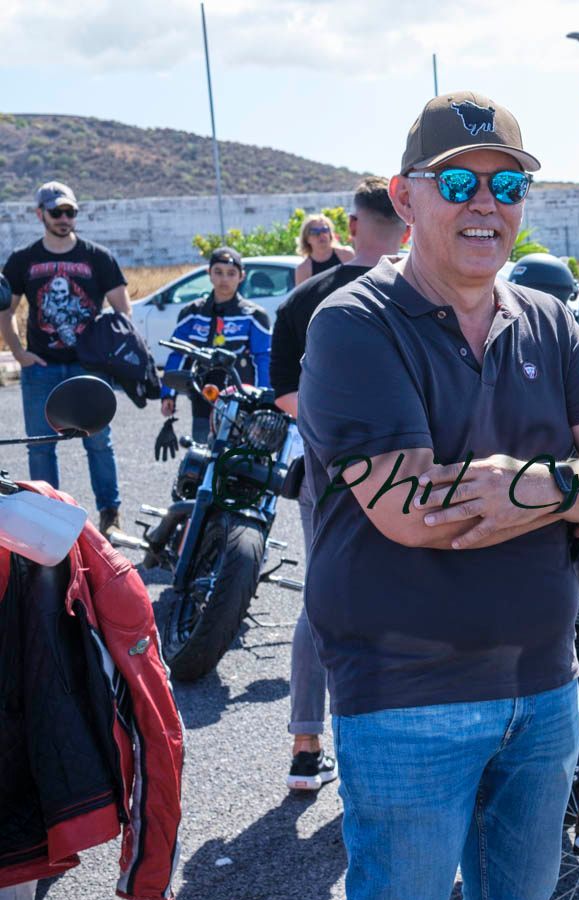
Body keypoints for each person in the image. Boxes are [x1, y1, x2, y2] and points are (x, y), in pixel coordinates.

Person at [297, 91, 579, 900]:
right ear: (405, 197)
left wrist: (520, 485)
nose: (484, 202)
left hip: (542, 689)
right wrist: (573, 487)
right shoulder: (353, 323)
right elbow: (415, 512)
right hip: (408, 694)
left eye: (507, 184)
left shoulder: (545, 318)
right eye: (457, 180)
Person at [269, 176, 409, 794]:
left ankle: (307, 743)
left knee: (321, 599)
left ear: (351, 227)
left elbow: (285, 395)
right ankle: (389, 753)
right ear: (407, 224)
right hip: (413, 468)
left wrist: (342, 436)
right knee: (412, 597)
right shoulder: (418, 295)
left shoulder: (305, 301)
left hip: (324, 472)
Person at [0, 182, 126, 533]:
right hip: (41, 368)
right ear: (40, 213)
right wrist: (19, 353)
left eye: (70, 211)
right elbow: (5, 311)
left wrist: (110, 356)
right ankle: (47, 518)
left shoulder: (97, 256)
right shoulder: (23, 259)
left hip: (88, 367)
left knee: (99, 443)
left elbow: (122, 312)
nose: (64, 218)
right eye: (56, 212)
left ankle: (110, 516)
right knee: (41, 447)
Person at [160, 247, 272, 443]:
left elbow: (264, 359)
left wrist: (265, 401)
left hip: (242, 402)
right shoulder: (192, 313)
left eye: (231, 273)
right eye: (218, 272)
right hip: (203, 398)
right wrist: (168, 394)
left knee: (241, 462)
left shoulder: (254, 315)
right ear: (209, 274)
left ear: (241, 276)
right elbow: (178, 354)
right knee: (201, 456)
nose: (224, 279)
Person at [293, 213, 355, 285]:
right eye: (315, 231)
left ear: (330, 234)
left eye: (324, 230)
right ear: (307, 239)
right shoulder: (303, 270)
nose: (321, 235)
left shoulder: (346, 255)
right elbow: (302, 296)